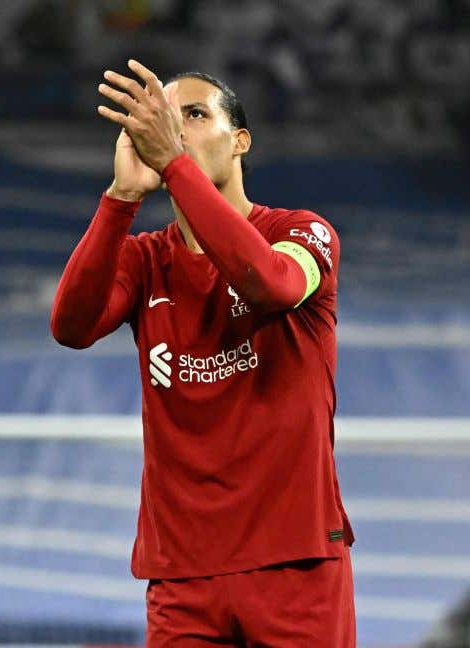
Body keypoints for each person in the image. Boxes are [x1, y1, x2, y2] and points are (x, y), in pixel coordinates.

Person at [50, 59, 354, 646]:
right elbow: (71, 327)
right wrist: (119, 198)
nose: (176, 130)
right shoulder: (145, 260)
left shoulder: (302, 233)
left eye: (193, 114)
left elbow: (271, 285)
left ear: (240, 140)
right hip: (183, 575)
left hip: (294, 561)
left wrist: (174, 164)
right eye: (166, 119)